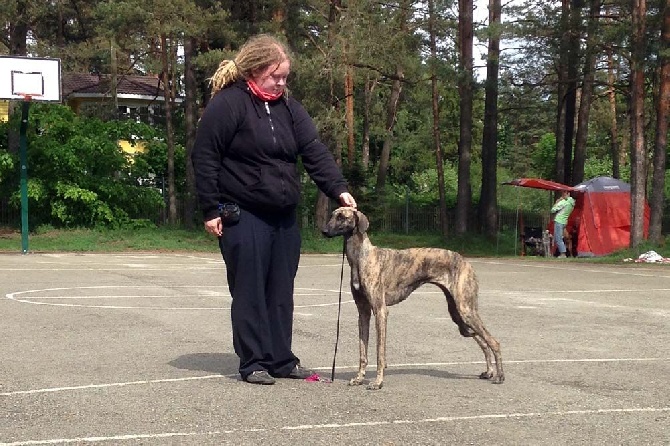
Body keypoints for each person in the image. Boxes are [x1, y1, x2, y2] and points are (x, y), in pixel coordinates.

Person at [191, 34, 357, 385]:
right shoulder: (229, 104)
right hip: (243, 212)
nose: (281, 83)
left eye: (285, 77)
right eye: (275, 76)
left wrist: (339, 190)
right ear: (254, 71)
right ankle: (253, 362)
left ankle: (281, 359)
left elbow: (314, 151)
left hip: (283, 216)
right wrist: (210, 208)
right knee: (249, 289)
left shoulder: (290, 109)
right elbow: (204, 156)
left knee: (281, 290)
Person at [551, 190, 576, 258]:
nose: (563, 194)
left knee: (558, 238)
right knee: (567, 238)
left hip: (559, 221)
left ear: (568, 193)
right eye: (562, 192)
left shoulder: (563, 202)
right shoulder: (572, 202)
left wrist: (557, 202)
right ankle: (570, 253)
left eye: (564, 193)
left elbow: (553, 210)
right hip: (565, 221)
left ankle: (563, 253)